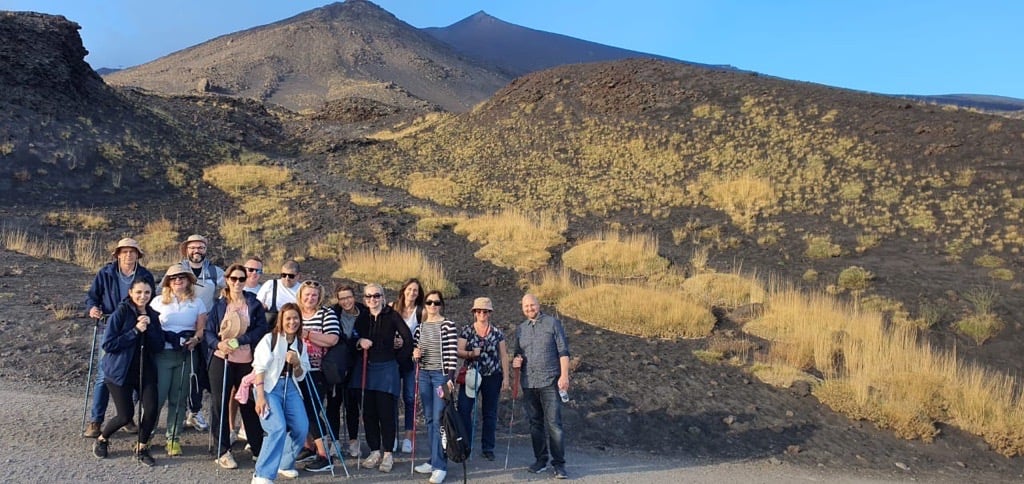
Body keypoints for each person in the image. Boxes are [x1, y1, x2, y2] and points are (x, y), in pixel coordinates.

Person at [83, 237, 155, 437]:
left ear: (138, 255)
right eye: (124, 252)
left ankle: (126, 417)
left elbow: (151, 299)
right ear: (117, 254)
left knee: (132, 372)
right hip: (110, 325)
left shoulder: (145, 274)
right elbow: (92, 296)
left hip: (136, 327)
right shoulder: (106, 273)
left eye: (132, 252)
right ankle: (96, 421)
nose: (128, 255)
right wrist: (92, 308)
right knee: (104, 374)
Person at [91, 279, 163, 466]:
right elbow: (109, 344)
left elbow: (159, 346)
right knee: (125, 415)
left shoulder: (153, 315)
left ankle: (141, 447)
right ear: (131, 292)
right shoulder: (120, 313)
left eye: (147, 292)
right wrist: (135, 331)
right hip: (119, 370)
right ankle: (103, 439)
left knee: (152, 408)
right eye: (139, 292)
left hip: (144, 369)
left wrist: (151, 329)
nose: (143, 296)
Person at [204, 264, 268, 469]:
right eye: (234, 279)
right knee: (220, 404)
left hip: (245, 360)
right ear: (227, 279)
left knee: (248, 404)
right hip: (221, 359)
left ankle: (258, 448)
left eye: (242, 279)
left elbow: (260, 329)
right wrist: (218, 344)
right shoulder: (219, 304)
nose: (238, 282)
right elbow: (208, 331)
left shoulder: (253, 303)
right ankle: (222, 450)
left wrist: (239, 341)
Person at [349, 283, 412, 473]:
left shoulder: (392, 315)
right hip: (366, 368)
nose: (373, 300)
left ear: (383, 297)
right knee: (368, 412)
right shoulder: (361, 318)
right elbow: (351, 338)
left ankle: (388, 453)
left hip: (387, 369)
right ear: (364, 299)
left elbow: (407, 339)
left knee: (386, 412)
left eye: (376, 296)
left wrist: (397, 361)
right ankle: (375, 450)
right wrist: (360, 342)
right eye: (368, 297)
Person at [149, 265, 207, 457]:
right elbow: (151, 327)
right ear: (168, 282)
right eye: (173, 278)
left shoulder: (198, 303)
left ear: (188, 280)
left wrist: (196, 339)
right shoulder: (157, 302)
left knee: (179, 397)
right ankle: (147, 434)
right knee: (157, 397)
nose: (178, 281)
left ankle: (173, 438)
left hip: (185, 354)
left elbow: (201, 329)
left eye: (182, 277)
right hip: (162, 354)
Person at [511, 294, 570, 479]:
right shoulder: (521, 329)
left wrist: (565, 376)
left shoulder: (552, 323)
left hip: (550, 381)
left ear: (539, 305)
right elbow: (517, 354)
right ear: (522, 308)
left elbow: (563, 351)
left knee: (554, 424)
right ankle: (541, 460)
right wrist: (516, 361)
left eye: (532, 305)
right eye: (526, 306)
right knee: (535, 424)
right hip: (529, 383)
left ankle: (559, 465)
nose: (529, 309)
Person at [251, 302, 311, 484]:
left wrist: (297, 363)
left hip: (291, 387)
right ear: (281, 320)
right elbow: (259, 369)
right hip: (268, 387)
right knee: (276, 427)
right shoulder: (271, 339)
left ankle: (285, 463)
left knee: (301, 427)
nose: (292, 322)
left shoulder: (301, 345)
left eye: (295, 318)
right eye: (288, 318)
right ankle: (262, 474)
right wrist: (260, 397)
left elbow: (301, 376)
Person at [292, 280, 341, 473]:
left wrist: (306, 334)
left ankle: (324, 455)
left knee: (311, 410)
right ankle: (309, 446)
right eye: (307, 294)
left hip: (317, 370)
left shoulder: (326, 314)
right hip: (295, 370)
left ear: (319, 296)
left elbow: (332, 339)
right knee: (298, 410)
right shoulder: (294, 312)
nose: (310, 298)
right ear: (300, 295)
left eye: (314, 295)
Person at [412, 290, 459, 484]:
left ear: (441, 305)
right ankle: (433, 460)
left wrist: (450, 378)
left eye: (436, 303)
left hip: (440, 375)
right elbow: (415, 354)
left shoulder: (448, 325)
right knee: (430, 419)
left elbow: (452, 353)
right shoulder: (420, 328)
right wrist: (415, 355)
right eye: (429, 302)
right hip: (424, 374)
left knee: (440, 420)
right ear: (425, 304)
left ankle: (440, 466)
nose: (432, 306)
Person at [179, 234, 224, 432]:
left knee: (200, 371)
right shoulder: (178, 270)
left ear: (206, 249)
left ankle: (194, 412)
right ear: (186, 250)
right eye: (193, 248)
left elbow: (229, 288)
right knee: (184, 373)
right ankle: (180, 413)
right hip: (182, 328)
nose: (197, 251)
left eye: (201, 247)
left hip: (206, 329)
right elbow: (162, 292)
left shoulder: (215, 271)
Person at [456, 297, 510, 461]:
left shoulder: (497, 332)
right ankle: (466, 445)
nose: (482, 314)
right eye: (478, 311)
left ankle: (488, 447)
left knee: (490, 413)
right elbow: (459, 351)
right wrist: (471, 354)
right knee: (464, 410)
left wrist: (506, 378)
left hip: (492, 376)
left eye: (485, 311)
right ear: (474, 313)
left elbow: (504, 355)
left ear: (489, 313)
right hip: (472, 375)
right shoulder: (467, 331)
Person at [327, 284, 366, 459]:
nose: (346, 301)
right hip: (337, 363)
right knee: (334, 404)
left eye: (348, 297)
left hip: (356, 364)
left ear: (354, 296)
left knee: (352, 404)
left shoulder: (364, 313)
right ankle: (334, 441)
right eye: (342, 298)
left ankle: (353, 440)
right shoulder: (332, 313)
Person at [390, 278, 423, 453]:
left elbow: (424, 333)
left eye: (415, 290)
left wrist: (418, 348)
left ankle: (408, 437)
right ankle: (392, 436)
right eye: (409, 289)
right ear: (403, 290)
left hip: (411, 361)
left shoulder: (420, 312)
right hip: (393, 359)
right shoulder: (393, 307)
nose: (412, 293)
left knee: (410, 398)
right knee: (393, 398)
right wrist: (391, 341)